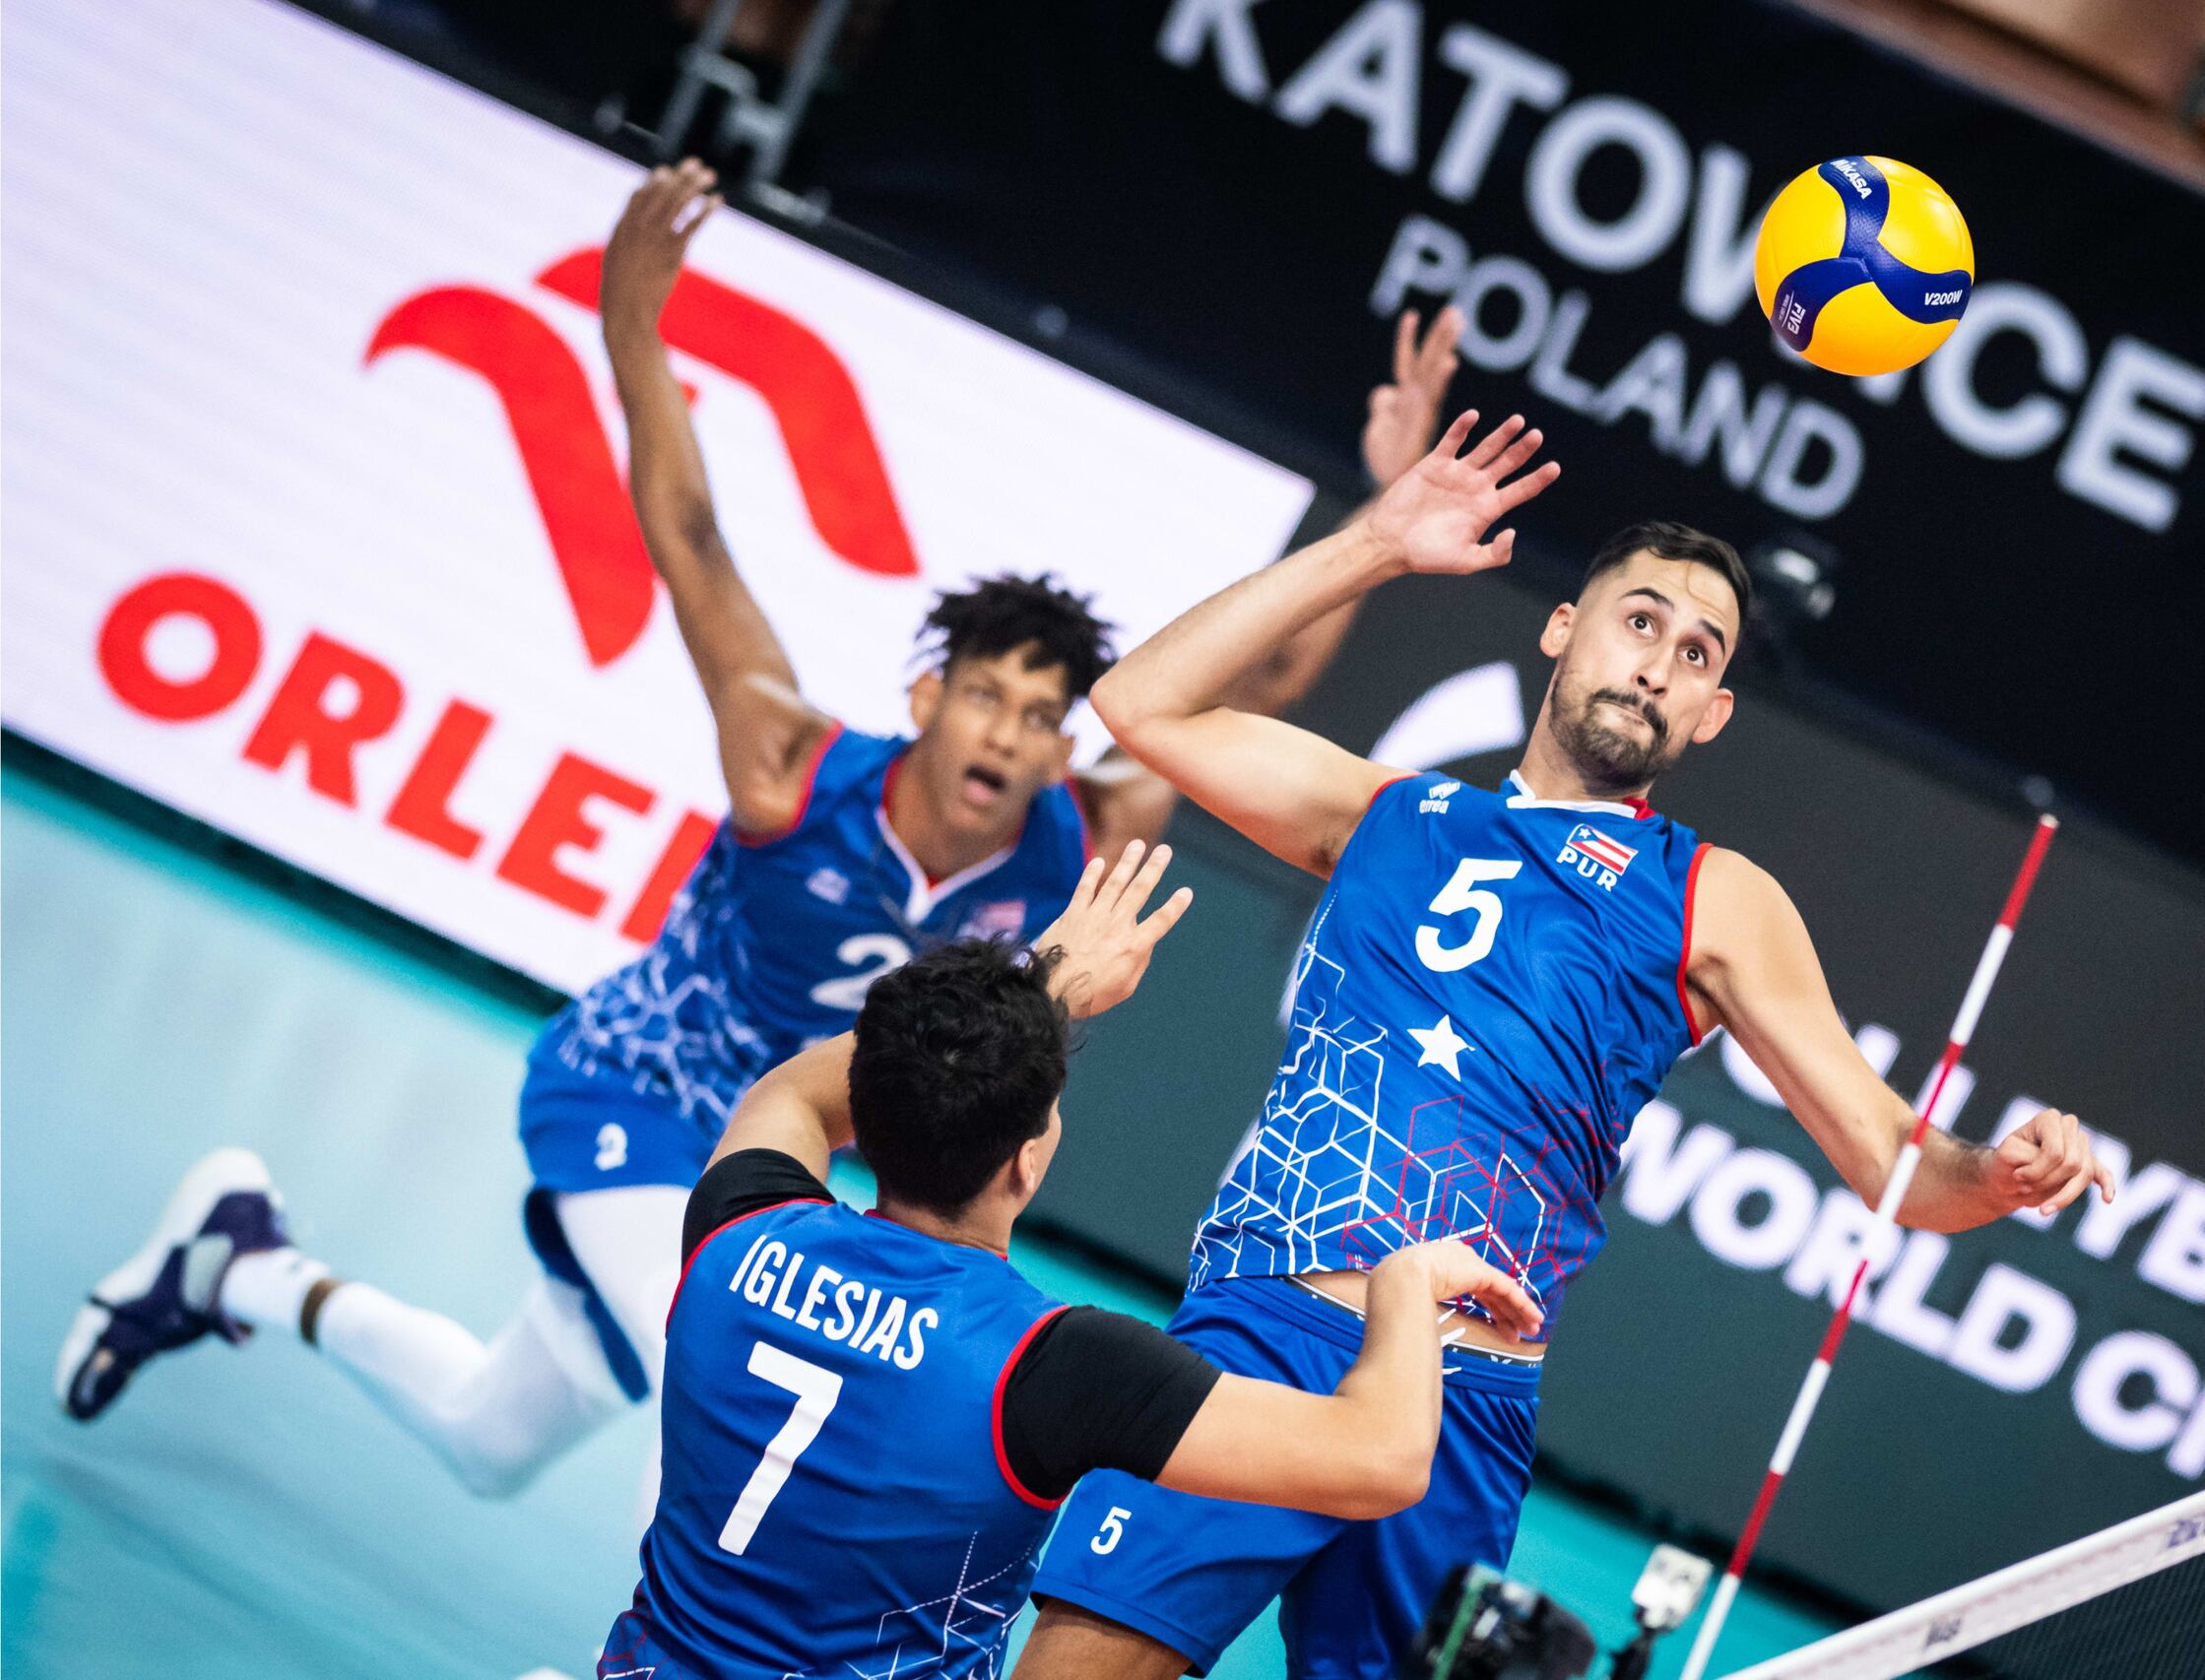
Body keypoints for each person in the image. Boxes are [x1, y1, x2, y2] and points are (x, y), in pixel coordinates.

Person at [50, 162, 1459, 1506]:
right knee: (713, 1381)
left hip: (785, 1162)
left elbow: (1266, 685)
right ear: (929, 697)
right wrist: (630, 320)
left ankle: (235, 1264)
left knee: (489, 1433)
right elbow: (691, 535)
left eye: (1041, 715)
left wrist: (1378, 515)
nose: (1009, 734)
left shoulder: (1068, 832)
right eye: (984, 697)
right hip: (641, 1094)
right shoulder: (791, 767)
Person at [1015, 413, 2120, 1679]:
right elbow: (1138, 701)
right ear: (1562, 628)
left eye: (1694, 651)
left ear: (1712, 712)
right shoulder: (1387, 812)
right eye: (1637, 619)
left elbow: (1894, 1165)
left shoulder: (1714, 896)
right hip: (1270, 1325)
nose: (1657, 662)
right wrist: (1371, 543)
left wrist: (1998, 1172)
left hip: (1459, 1403)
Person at [602, 839, 1542, 1680]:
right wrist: (1407, 1284)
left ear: (875, 1114)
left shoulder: (738, 1228)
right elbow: (1384, 1461)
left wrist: (1036, 984)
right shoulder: (1049, 1366)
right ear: (1028, 1158)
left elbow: (796, 1094)